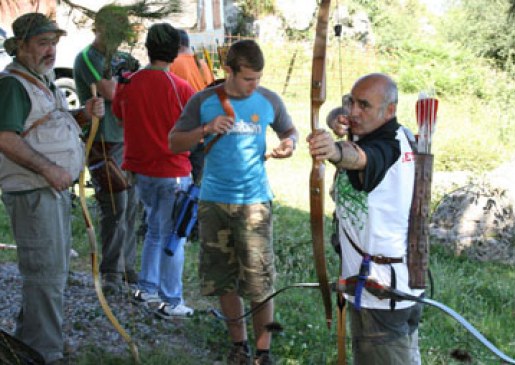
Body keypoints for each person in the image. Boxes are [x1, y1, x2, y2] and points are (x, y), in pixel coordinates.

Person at [169, 39, 298, 365]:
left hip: (255, 202)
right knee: (224, 279)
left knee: (259, 283)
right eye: (247, 78)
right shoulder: (204, 100)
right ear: (229, 70)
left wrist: (288, 144)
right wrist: (205, 129)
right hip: (214, 201)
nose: (254, 85)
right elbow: (173, 142)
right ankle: (238, 346)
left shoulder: (268, 100)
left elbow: (290, 131)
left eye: (258, 78)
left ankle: (263, 352)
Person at [0, 12, 104, 364]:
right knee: (45, 273)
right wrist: (48, 168)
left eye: (54, 44)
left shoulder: (41, 79)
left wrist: (84, 115)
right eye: (42, 43)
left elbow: (50, 125)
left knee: (52, 269)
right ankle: (44, 353)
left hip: (49, 189)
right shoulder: (13, 84)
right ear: (21, 46)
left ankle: (30, 345)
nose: (50, 51)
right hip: (33, 191)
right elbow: (5, 138)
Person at [307, 73, 424, 365]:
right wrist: (338, 116)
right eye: (352, 102)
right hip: (389, 286)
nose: (354, 112)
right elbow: (350, 122)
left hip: (381, 292)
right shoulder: (393, 131)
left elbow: (362, 158)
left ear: (390, 111)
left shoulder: (389, 147)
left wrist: (333, 150)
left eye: (364, 106)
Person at [112, 22, 195, 318]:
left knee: (155, 229)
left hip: (140, 170)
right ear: (174, 52)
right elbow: (195, 125)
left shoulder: (130, 82)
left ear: (148, 49)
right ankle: (171, 300)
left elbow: (118, 113)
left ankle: (147, 288)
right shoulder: (180, 87)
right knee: (174, 236)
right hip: (171, 170)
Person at [73, 4, 139, 291]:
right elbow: (112, 91)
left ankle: (127, 267)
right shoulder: (87, 57)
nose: (115, 39)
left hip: (129, 138)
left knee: (133, 205)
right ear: (97, 29)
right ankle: (111, 272)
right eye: (110, 32)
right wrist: (124, 84)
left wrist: (125, 84)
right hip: (102, 140)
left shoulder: (127, 58)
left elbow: (139, 91)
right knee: (115, 204)